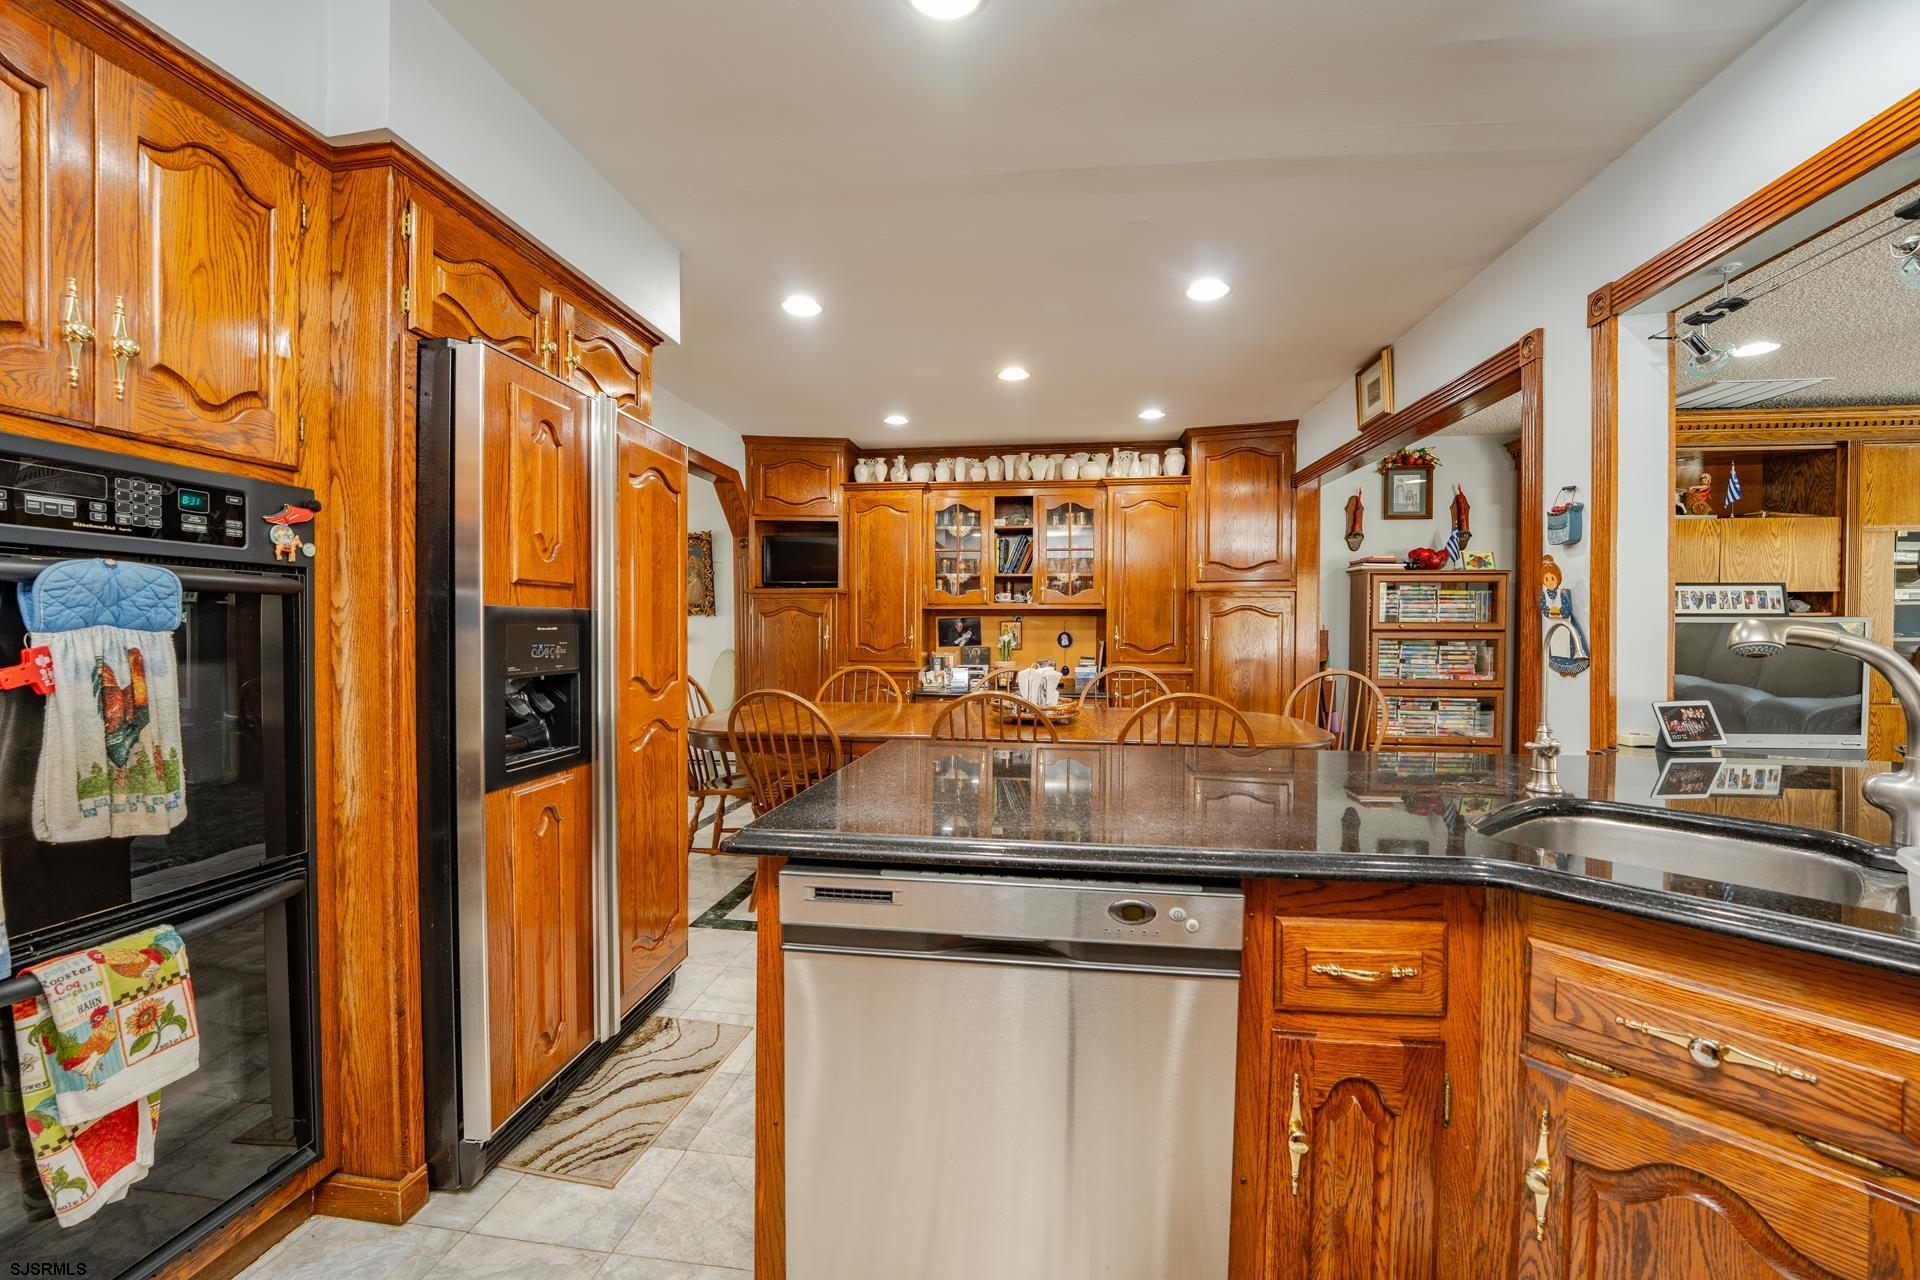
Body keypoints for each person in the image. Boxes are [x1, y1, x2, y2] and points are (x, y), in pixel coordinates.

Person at [1539, 555, 1590, 673]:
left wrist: (1561, 612)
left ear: (1557, 578)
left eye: (1552, 579)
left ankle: (1572, 665)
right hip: (1554, 623)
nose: (1550, 582)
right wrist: (1549, 611)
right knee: (1556, 645)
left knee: (1569, 646)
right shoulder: (1544, 596)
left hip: (1565, 621)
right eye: (1547, 579)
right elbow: (1544, 608)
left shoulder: (1561, 594)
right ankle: (1559, 665)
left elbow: (1567, 607)